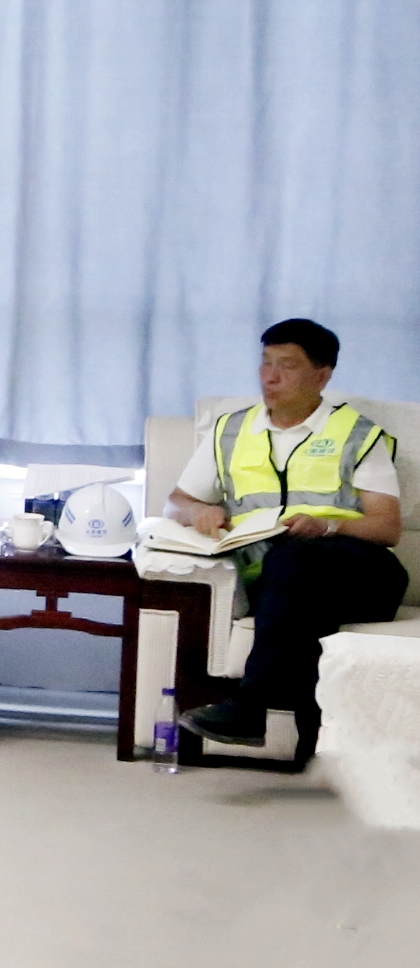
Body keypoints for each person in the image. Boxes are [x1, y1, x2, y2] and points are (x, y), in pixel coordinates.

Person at [166, 318, 405, 752]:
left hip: (363, 573)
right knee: (306, 602)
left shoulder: (357, 435)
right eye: (265, 363)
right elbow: (178, 501)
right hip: (280, 585)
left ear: (322, 375)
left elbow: (387, 527)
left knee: (295, 560)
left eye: (287, 365)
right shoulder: (230, 430)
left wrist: (327, 526)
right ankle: (315, 743)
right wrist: (200, 510)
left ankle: (250, 708)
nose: (270, 377)